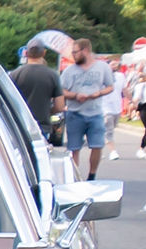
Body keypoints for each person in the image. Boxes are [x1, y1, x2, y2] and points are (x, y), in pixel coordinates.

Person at [60, 39, 114, 180]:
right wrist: (75, 95)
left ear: (85, 51)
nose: (73, 55)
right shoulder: (69, 71)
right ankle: (75, 177)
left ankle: (92, 175)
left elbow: (110, 86)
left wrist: (98, 93)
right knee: (74, 148)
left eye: (75, 52)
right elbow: (62, 90)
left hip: (95, 112)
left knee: (97, 145)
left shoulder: (102, 67)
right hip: (75, 113)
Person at [9, 43, 65, 144]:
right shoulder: (52, 75)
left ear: (26, 53)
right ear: (44, 53)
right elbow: (60, 106)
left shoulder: (15, 74)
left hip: (19, 125)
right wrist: (48, 112)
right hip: (42, 125)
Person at [104, 58, 126, 159]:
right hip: (105, 108)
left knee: (112, 128)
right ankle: (113, 152)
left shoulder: (121, 76)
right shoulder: (102, 76)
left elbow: (124, 90)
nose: (115, 66)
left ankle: (98, 146)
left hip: (117, 107)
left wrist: (133, 101)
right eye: (112, 64)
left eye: (116, 64)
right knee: (109, 130)